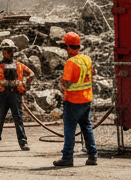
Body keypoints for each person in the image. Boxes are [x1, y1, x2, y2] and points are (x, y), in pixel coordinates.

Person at [53, 31, 96, 167]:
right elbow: (92, 73)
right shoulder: (86, 59)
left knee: (70, 129)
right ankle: (92, 155)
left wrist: (61, 85)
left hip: (73, 101)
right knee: (87, 127)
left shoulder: (70, 63)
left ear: (68, 47)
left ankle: (67, 157)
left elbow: (66, 83)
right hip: (86, 99)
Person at [0, 38, 35, 152]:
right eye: (6, 50)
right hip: (3, 95)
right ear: (3, 52)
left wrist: (26, 86)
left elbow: (31, 74)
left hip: (15, 95)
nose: (9, 52)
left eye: (10, 50)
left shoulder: (19, 66)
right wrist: (16, 83)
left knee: (18, 119)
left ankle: (23, 142)